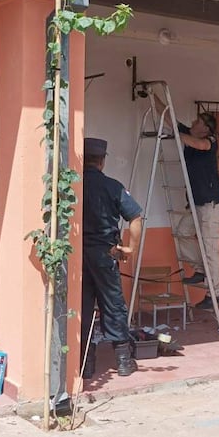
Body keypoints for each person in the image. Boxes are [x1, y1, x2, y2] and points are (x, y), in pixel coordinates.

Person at [81, 138, 144, 379]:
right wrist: (131, 249)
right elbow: (135, 217)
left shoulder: (72, 187)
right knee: (113, 304)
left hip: (78, 257)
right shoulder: (112, 186)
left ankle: (86, 365)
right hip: (105, 255)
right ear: (102, 161)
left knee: (83, 307)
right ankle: (123, 362)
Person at [175, 112, 219, 310]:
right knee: (182, 232)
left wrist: (176, 136)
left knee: (210, 249)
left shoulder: (210, 141)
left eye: (198, 121)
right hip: (196, 202)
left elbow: (199, 145)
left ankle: (216, 293)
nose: (193, 122)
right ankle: (200, 269)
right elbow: (171, 119)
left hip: (211, 204)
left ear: (206, 129)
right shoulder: (189, 134)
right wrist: (154, 98)